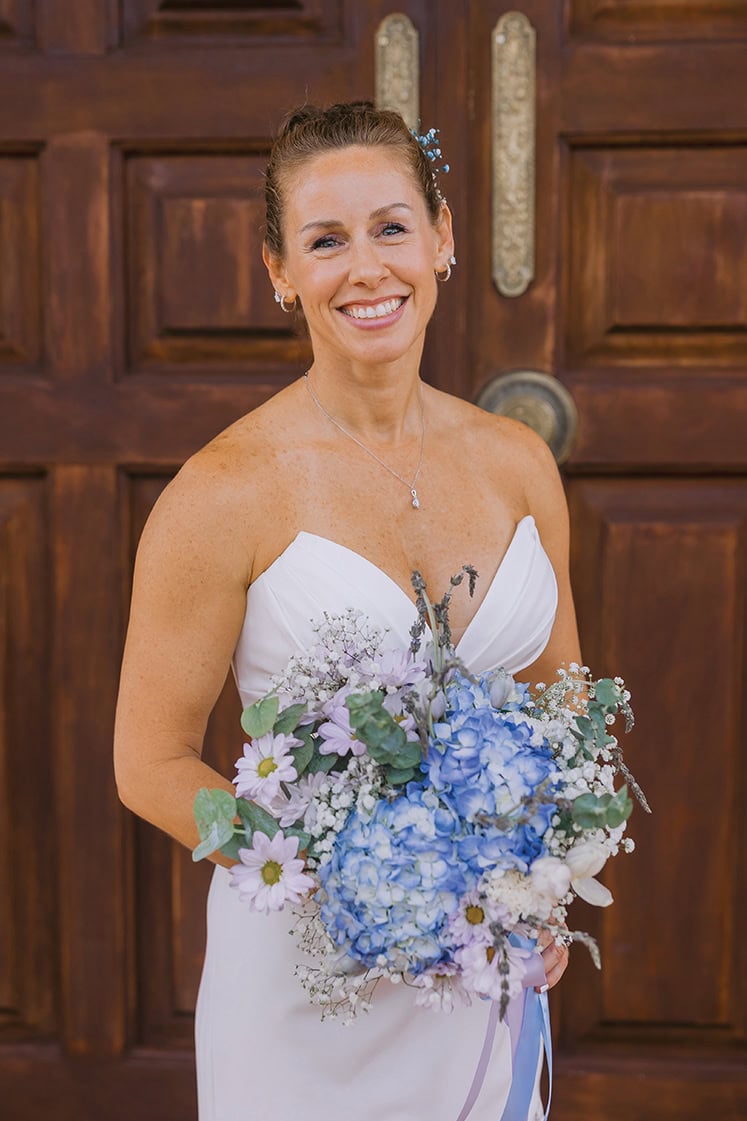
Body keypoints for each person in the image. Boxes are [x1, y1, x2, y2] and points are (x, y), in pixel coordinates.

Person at [114, 101, 577, 1121]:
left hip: (480, 971)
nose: (368, 267)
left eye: (392, 227)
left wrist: (538, 872)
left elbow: (560, 711)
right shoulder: (223, 490)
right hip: (305, 995)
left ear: (443, 238)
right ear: (280, 269)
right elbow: (149, 764)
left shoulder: (518, 464)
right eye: (326, 240)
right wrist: (353, 875)